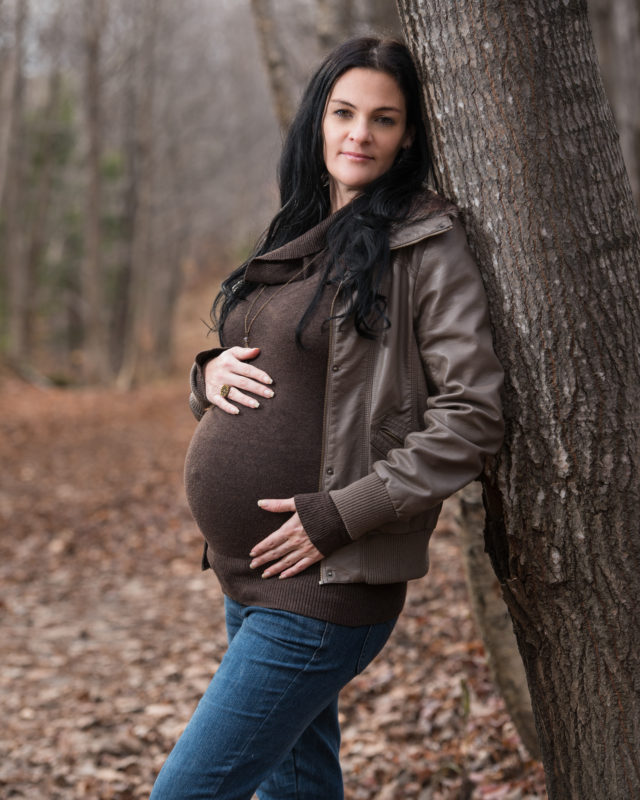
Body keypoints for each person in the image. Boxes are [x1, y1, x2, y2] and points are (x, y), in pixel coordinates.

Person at [150, 36, 504, 800]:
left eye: (383, 119)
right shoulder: (301, 228)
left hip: (325, 583)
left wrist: (341, 515)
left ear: (408, 134)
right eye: (344, 112)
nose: (359, 134)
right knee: (297, 790)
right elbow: (266, 352)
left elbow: (472, 415)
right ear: (319, 120)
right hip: (251, 577)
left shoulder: (426, 245)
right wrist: (207, 374)